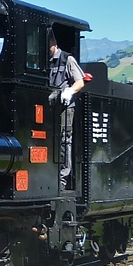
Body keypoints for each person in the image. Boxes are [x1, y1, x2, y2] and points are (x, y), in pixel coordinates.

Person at [47, 29, 85, 190]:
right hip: (50, 106)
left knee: (64, 140)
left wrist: (69, 92)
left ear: (53, 43)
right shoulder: (45, 61)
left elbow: (80, 82)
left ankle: (63, 177)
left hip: (64, 106)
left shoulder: (67, 59)